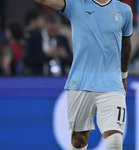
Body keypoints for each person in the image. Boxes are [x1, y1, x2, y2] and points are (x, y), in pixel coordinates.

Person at [35, 0, 133, 149]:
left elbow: (126, 43)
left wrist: (123, 75)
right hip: (80, 82)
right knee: (79, 140)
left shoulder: (124, 10)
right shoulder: (76, 5)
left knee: (115, 141)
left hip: (112, 83)